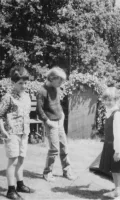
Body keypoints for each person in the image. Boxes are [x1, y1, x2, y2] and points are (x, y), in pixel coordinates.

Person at [0, 67, 35, 200]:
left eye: (25, 83)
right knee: (13, 161)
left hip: (24, 132)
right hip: (12, 133)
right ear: (13, 82)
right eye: (20, 83)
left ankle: (20, 184)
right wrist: (2, 130)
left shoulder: (27, 96)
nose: (23, 85)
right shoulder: (8, 97)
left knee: (21, 159)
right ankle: (10, 190)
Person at [36, 66, 76, 182]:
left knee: (64, 147)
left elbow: (58, 105)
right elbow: (39, 110)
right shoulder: (42, 91)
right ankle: (47, 173)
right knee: (54, 149)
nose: (61, 83)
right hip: (51, 123)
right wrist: (48, 122)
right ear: (52, 78)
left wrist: (62, 115)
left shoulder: (56, 89)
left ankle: (67, 171)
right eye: (60, 80)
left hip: (60, 121)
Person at [99, 87, 120, 200]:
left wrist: (118, 151)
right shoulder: (109, 113)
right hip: (110, 146)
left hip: (118, 147)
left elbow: (119, 134)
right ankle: (117, 191)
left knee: (119, 172)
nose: (108, 102)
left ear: (116, 100)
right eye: (106, 99)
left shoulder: (118, 114)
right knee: (114, 170)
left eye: (110, 100)